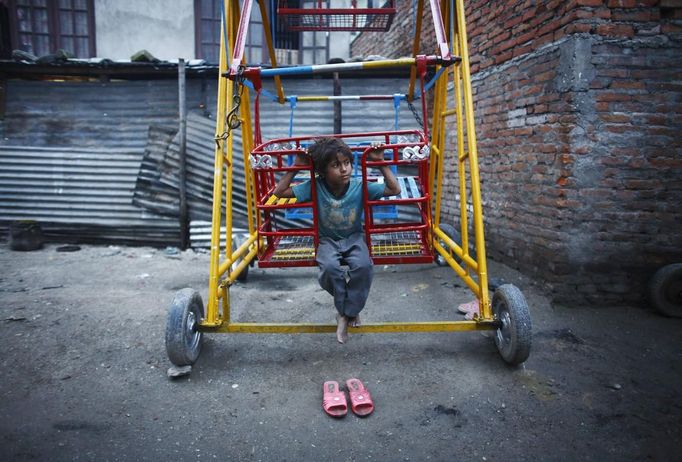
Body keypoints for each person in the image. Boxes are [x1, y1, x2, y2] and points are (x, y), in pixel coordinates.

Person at [272, 137, 400, 343]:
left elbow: (394, 189)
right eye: (335, 165)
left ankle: (346, 312)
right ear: (322, 171)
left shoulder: (358, 186)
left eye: (347, 163)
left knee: (364, 267)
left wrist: (381, 162)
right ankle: (348, 310)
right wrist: (296, 167)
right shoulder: (315, 186)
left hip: (355, 238)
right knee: (329, 271)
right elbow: (279, 193)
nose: (344, 169)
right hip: (327, 240)